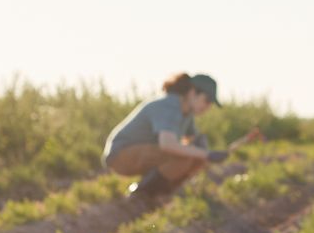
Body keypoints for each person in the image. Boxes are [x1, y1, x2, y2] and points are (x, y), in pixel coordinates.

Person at [103, 73, 258, 199]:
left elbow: (193, 142)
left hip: (139, 153)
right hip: (121, 155)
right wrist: (207, 154)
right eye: (207, 100)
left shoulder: (186, 113)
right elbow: (167, 144)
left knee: (194, 156)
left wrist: (206, 152)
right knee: (185, 156)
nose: (208, 107)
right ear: (192, 93)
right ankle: (142, 193)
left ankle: (162, 193)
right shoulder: (170, 106)